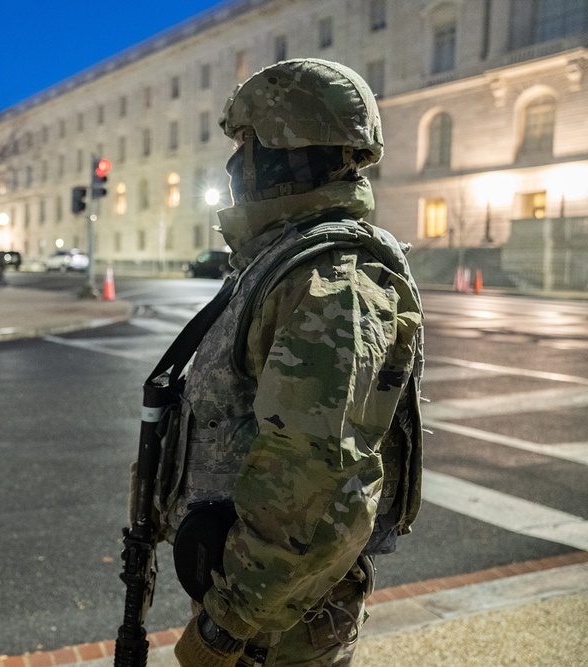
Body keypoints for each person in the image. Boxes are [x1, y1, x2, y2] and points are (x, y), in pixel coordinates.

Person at [162, 58, 425, 666]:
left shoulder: (330, 281)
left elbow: (317, 484)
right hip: (264, 602)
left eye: (246, 143)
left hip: (279, 625)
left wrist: (226, 627)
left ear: (283, 148)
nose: (234, 164)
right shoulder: (285, 262)